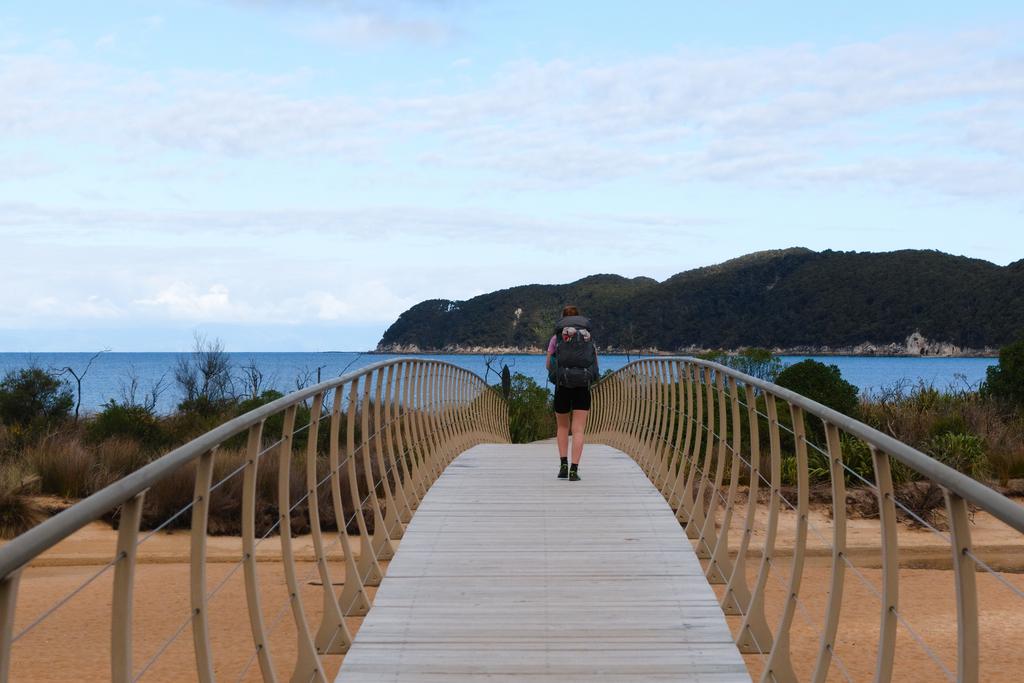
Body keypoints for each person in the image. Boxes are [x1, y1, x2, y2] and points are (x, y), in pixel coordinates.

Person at [546, 305, 599, 481]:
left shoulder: (557, 338)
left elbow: (548, 364)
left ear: (563, 319)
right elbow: (594, 362)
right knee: (578, 430)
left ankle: (563, 466)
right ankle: (574, 470)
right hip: (582, 385)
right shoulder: (587, 337)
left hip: (563, 385)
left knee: (562, 427)